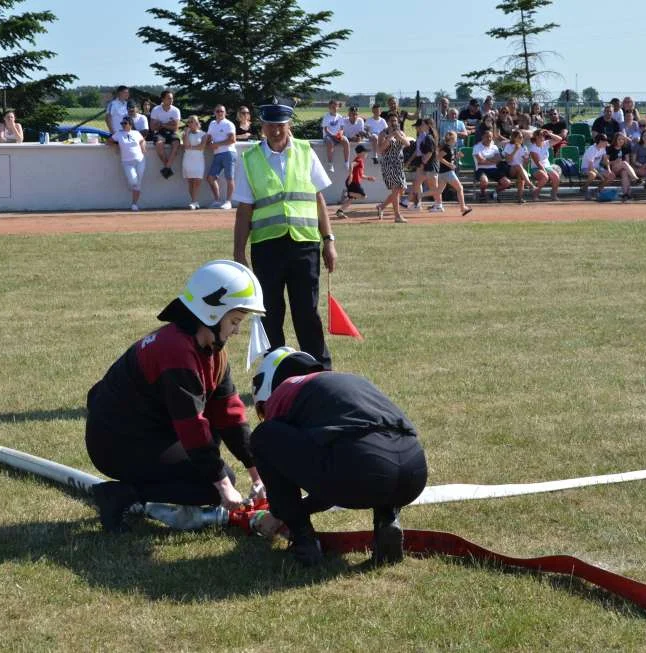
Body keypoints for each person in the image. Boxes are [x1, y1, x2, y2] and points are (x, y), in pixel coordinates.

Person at [85, 260, 268, 533]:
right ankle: (121, 495)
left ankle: (154, 492)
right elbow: (192, 426)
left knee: (213, 460)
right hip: (116, 442)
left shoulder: (212, 352)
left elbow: (229, 415)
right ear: (212, 314)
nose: (237, 330)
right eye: (234, 321)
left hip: (149, 432)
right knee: (213, 483)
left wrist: (257, 473)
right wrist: (224, 485)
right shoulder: (175, 352)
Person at [248, 347, 428, 566]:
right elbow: (329, 479)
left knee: (263, 437)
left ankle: (304, 542)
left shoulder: (284, 392)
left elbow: (325, 477)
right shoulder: (344, 384)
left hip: (362, 469)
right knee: (367, 449)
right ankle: (387, 519)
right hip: (413, 472)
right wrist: (297, 508)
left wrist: (280, 512)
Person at [232, 98, 336, 369]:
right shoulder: (249, 159)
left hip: (305, 244)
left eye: (281, 125)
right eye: (270, 125)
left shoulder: (305, 151)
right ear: (262, 127)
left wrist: (329, 241)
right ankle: (275, 373)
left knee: (307, 312)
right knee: (270, 314)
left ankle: (319, 371)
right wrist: (238, 252)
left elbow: (318, 199)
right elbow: (244, 209)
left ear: (289, 125)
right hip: (267, 247)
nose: (276, 130)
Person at [108, 115, 147, 211]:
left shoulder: (136, 133)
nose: (123, 125)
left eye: (125, 123)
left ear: (130, 124)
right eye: (122, 123)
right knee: (133, 181)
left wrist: (143, 147)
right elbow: (109, 141)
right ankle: (133, 188)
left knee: (138, 183)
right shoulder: (119, 134)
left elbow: (142, 140)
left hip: (140, 160)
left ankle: (134, 203)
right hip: (127, 162)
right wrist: (116, 146)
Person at [376, 115, 409, 223]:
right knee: (396, 188)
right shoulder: (383, 134)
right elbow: (379, 150)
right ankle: (397, 216)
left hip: (399, 163)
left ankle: (381, 206)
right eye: (392, 121)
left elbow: (407, 143)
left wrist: (399, 136)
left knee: (401, 190)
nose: (394, 122)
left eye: (395, 120)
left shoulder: (400, 132)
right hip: (388, 163)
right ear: (388, 122)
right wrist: (389, 137)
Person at [205, 104, 237, 210]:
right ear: (214, 113)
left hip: (229, 153)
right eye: (218, 111)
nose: (220, 113)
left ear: (225, 113)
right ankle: (217, 200)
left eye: (222, 111)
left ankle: (228, 202)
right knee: (210, 177)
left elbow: (232, 140)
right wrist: (208, 144)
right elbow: (208, 138)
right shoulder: (212, 124)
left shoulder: (229, 124)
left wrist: (217, 144)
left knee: (229, 178)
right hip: (217, 154)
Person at [435, 130, 473, 216]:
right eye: (456, 138)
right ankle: (463, 208)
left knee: (438, 191)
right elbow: (439, 157)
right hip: (447, 172)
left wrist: (457, 156)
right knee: (460, 188)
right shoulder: (447, 147)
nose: (457, 140)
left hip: (443, 173)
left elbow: (449, 159)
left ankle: (419, 197)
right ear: (452, 139)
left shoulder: (450, 147)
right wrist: (449, 164)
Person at [409, 118, 442, 212]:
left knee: (434, 187)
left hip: (431, 164)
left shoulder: (428, 137)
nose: (421, 126)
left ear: (428, 126)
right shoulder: (428, 136)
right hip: (430, 164)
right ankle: (437, 204)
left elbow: (429, 152)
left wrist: (423, 163)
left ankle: (437, 204)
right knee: (433, 186)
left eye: (423, 124)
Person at [472, 127, 511, 202]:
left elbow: (498, 159)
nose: (489, 139)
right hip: (480, 169)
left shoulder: (494, 147)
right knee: (484, 181)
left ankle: (494, 193)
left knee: (507, 183)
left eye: (491, 137)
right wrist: (493, 160)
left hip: (493, 169)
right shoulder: (476, 147)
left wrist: (486, 160)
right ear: (482, 137)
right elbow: (480, 161)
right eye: (487, 137)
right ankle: (482, 194)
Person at [335, 144, 374, 219]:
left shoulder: (360, 161)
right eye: (365, 152)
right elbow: (351, 165)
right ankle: (347, 193)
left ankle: (340, 211)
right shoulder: (358, 160)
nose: (366, 153)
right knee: (363, 196)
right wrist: (351, 176)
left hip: (353, 182)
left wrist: (368, 178)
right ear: (360, 153)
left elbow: (361, 175)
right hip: (353, 182)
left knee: (351, 199)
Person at [150, 90, 182, 179]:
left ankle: (166, 168)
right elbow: (152, 127)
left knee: (176, 144)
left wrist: (161, 124)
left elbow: (175, 128)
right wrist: (169, 124)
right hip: (160, 133)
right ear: (163, 99)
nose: (171, 100)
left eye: (172, 98)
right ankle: (167, 166)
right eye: (169, 98)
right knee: (159, 144)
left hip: (172, 133)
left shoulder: (176, 110)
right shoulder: (156, 110)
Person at [527, 128, 563, 201]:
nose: (543, 136)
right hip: (536, 168)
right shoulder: (532, 148)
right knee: (545, 177)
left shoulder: (546, 143)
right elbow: (538, 163)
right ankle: (535, 195)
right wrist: (546, 173)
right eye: (541, 135)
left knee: (556, 177)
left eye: (543, 135)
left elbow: (560, 139)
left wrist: (549, 134)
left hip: (547, 167)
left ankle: (553, 195)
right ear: (536, 137)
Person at [500, 129, 533, 203]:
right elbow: (508, 160)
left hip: (520, 170)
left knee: (520, 176)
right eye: (519, 137)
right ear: (514, 138)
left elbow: (525, 164)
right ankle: (528, 183)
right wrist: (515, 150)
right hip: (509, 169)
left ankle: (519, 198)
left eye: (522, 137)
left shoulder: (524, 147)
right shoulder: (509, 146)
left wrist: (526, 159)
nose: (521, 139)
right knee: (518, 166)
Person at [181, 115, 207, 210]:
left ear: (197, 123)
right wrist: (187, 133)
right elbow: (186, 146)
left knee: (197, 181)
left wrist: (192, 147)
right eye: (190, 122)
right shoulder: (185, 134)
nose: (192, 123)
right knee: (191, 182)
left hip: (198, 160)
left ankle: (194, 201)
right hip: (188, 159)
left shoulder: (204, 134)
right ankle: (194, 201)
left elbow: (202, 147)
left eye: (194, 121)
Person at [580, 133, 615, 200]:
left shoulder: (603, 148)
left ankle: (597, 190)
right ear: (601, 142)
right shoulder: (591, 150)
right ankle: (584, 188)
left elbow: (605, 160)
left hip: (597, 168)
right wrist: (600, 176)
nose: (607, 142)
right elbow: (590, 167)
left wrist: (609, 170)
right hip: (586, 168)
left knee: (611, 175)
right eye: (605, 141)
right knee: (593, 174)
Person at [606, 131, 639, 201]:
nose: (621, 141)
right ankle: (635, 178)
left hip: (623, 168)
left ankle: (626, 194)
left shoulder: (625, 148)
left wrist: (623, 164)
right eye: (619, 139)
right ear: (615, 140)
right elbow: (606, 162)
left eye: (622, 139)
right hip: (613, 169)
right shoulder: (610, 148)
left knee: (624, 172)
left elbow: (628, 162)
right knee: (623, 163)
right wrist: (615, 162)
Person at [321, 99, 350, 173]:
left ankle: (346, 162)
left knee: (346, 141)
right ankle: (330, 164)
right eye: (332, 107)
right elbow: (326, 129)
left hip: (337, 136)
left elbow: (342, 128)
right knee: (330, 143)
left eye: (335, 107)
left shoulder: (340, 117)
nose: (334, 109)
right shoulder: (326, 117)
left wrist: (340, 134)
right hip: (328, 136)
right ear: (329, 108)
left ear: (338, 107)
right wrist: (333, 135)